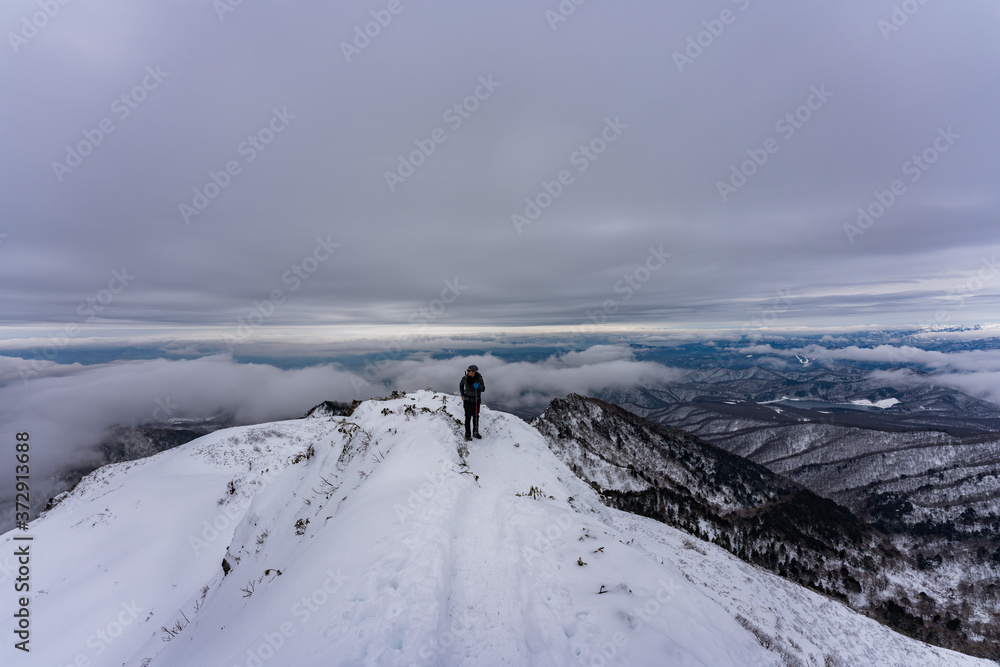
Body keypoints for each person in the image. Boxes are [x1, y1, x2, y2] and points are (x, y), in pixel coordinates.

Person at [459, 364, 485, 441]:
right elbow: (461, 385)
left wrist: (478, 386)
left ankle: (475, 432)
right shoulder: (465, 378)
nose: (467, 372)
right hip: (467, 401)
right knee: (468, 417)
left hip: (476, 401)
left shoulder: (479, 378)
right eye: (467, 370)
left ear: (473, 372)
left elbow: (483, 389)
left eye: (469, 371)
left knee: (476, 416)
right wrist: (462, 395)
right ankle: (468, 434)